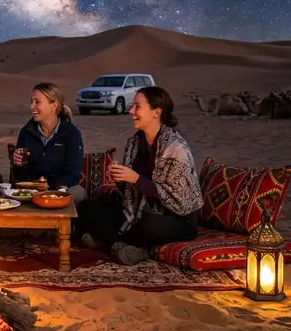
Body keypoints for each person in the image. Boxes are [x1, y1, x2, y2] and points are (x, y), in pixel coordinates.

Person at [77, 86, 202, 265]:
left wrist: (135, 178)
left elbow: (175, 199)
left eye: (137, 107)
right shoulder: (135, 143)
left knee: (146, 225)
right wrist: (120, 180)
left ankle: (108, 242)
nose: (131, 111)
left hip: (176, 219)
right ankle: (120, 247)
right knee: (87, 207)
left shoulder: (175, 149)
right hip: (135, 212)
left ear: (156, 112)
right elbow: (130, 192)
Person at [11, 82, 87, 204]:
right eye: (32, 102)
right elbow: (21, 177)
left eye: (37, 102)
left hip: (62, 189)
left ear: (54, 105)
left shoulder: (71, 133)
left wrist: (50, 190)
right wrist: (19, 164)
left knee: (78, 193)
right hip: (32, 190)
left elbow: (73, 173)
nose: (32, 106)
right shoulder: (26, 132)